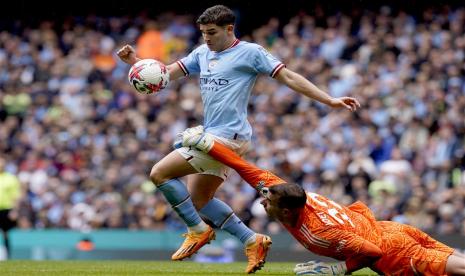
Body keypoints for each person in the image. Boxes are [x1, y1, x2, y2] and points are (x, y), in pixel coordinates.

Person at [117, 5, 360, 273]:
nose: (207, 38)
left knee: (160, 173)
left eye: (212, 32)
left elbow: (289, 77)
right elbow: (164, 75)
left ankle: (198, 230)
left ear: (229, 29)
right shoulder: (202, 53)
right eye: (203, 33)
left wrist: (329, 99)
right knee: (199, 201)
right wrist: (136, 62)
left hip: (228, 137)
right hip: (212, 134)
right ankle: (251, 239)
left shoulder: (251, 53)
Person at [177, 127, 465, 276]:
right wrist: (208, 145)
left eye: (268, 200)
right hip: (394, 229)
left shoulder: (317, 231)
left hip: (394, 251)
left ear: (287, 211)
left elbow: (372, 250)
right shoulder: (288, 194)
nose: (263, 202)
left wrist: (337, 270)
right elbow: (242, 166)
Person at [0, 157, 21, 260]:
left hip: (6, 209)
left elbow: (16, 196)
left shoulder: (11, 178)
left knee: (6, 233)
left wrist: (15, 210)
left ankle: (7, 255)